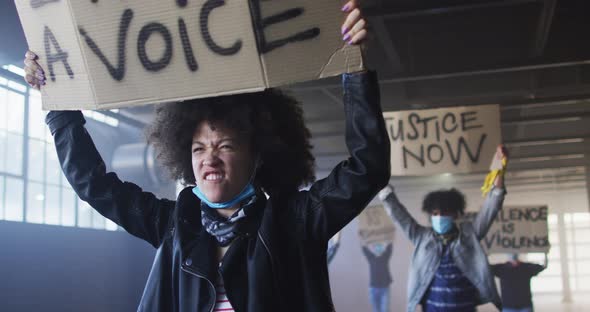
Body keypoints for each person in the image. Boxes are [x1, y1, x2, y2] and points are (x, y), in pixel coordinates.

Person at [22, 1, 391, 311]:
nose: (209, 160)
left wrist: (354, 70)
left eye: (225, 146)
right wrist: (59, 106)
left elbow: (367, 167)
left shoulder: (296, 221)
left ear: (258, 155)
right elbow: (93, 184)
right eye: (198, 148)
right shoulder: (172, 225)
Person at [377, 145, 508, 312]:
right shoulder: (421, 237)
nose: (439, 217)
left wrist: (500, 167)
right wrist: (382, 186)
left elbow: (492, 206)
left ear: (455, 214)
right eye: (435, 213)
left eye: (445, 212)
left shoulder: (469, 235)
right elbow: (399, 215)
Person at [362, 242, 393, 312]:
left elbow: (390, 247)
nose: (378, 249)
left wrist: (389, 238)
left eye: (380, 247)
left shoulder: (385, 256)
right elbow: (363, 248)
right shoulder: (371, 257)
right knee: (376, 310)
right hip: (373, 288)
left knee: (384, 310)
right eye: (375, 247)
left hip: (384, 288)